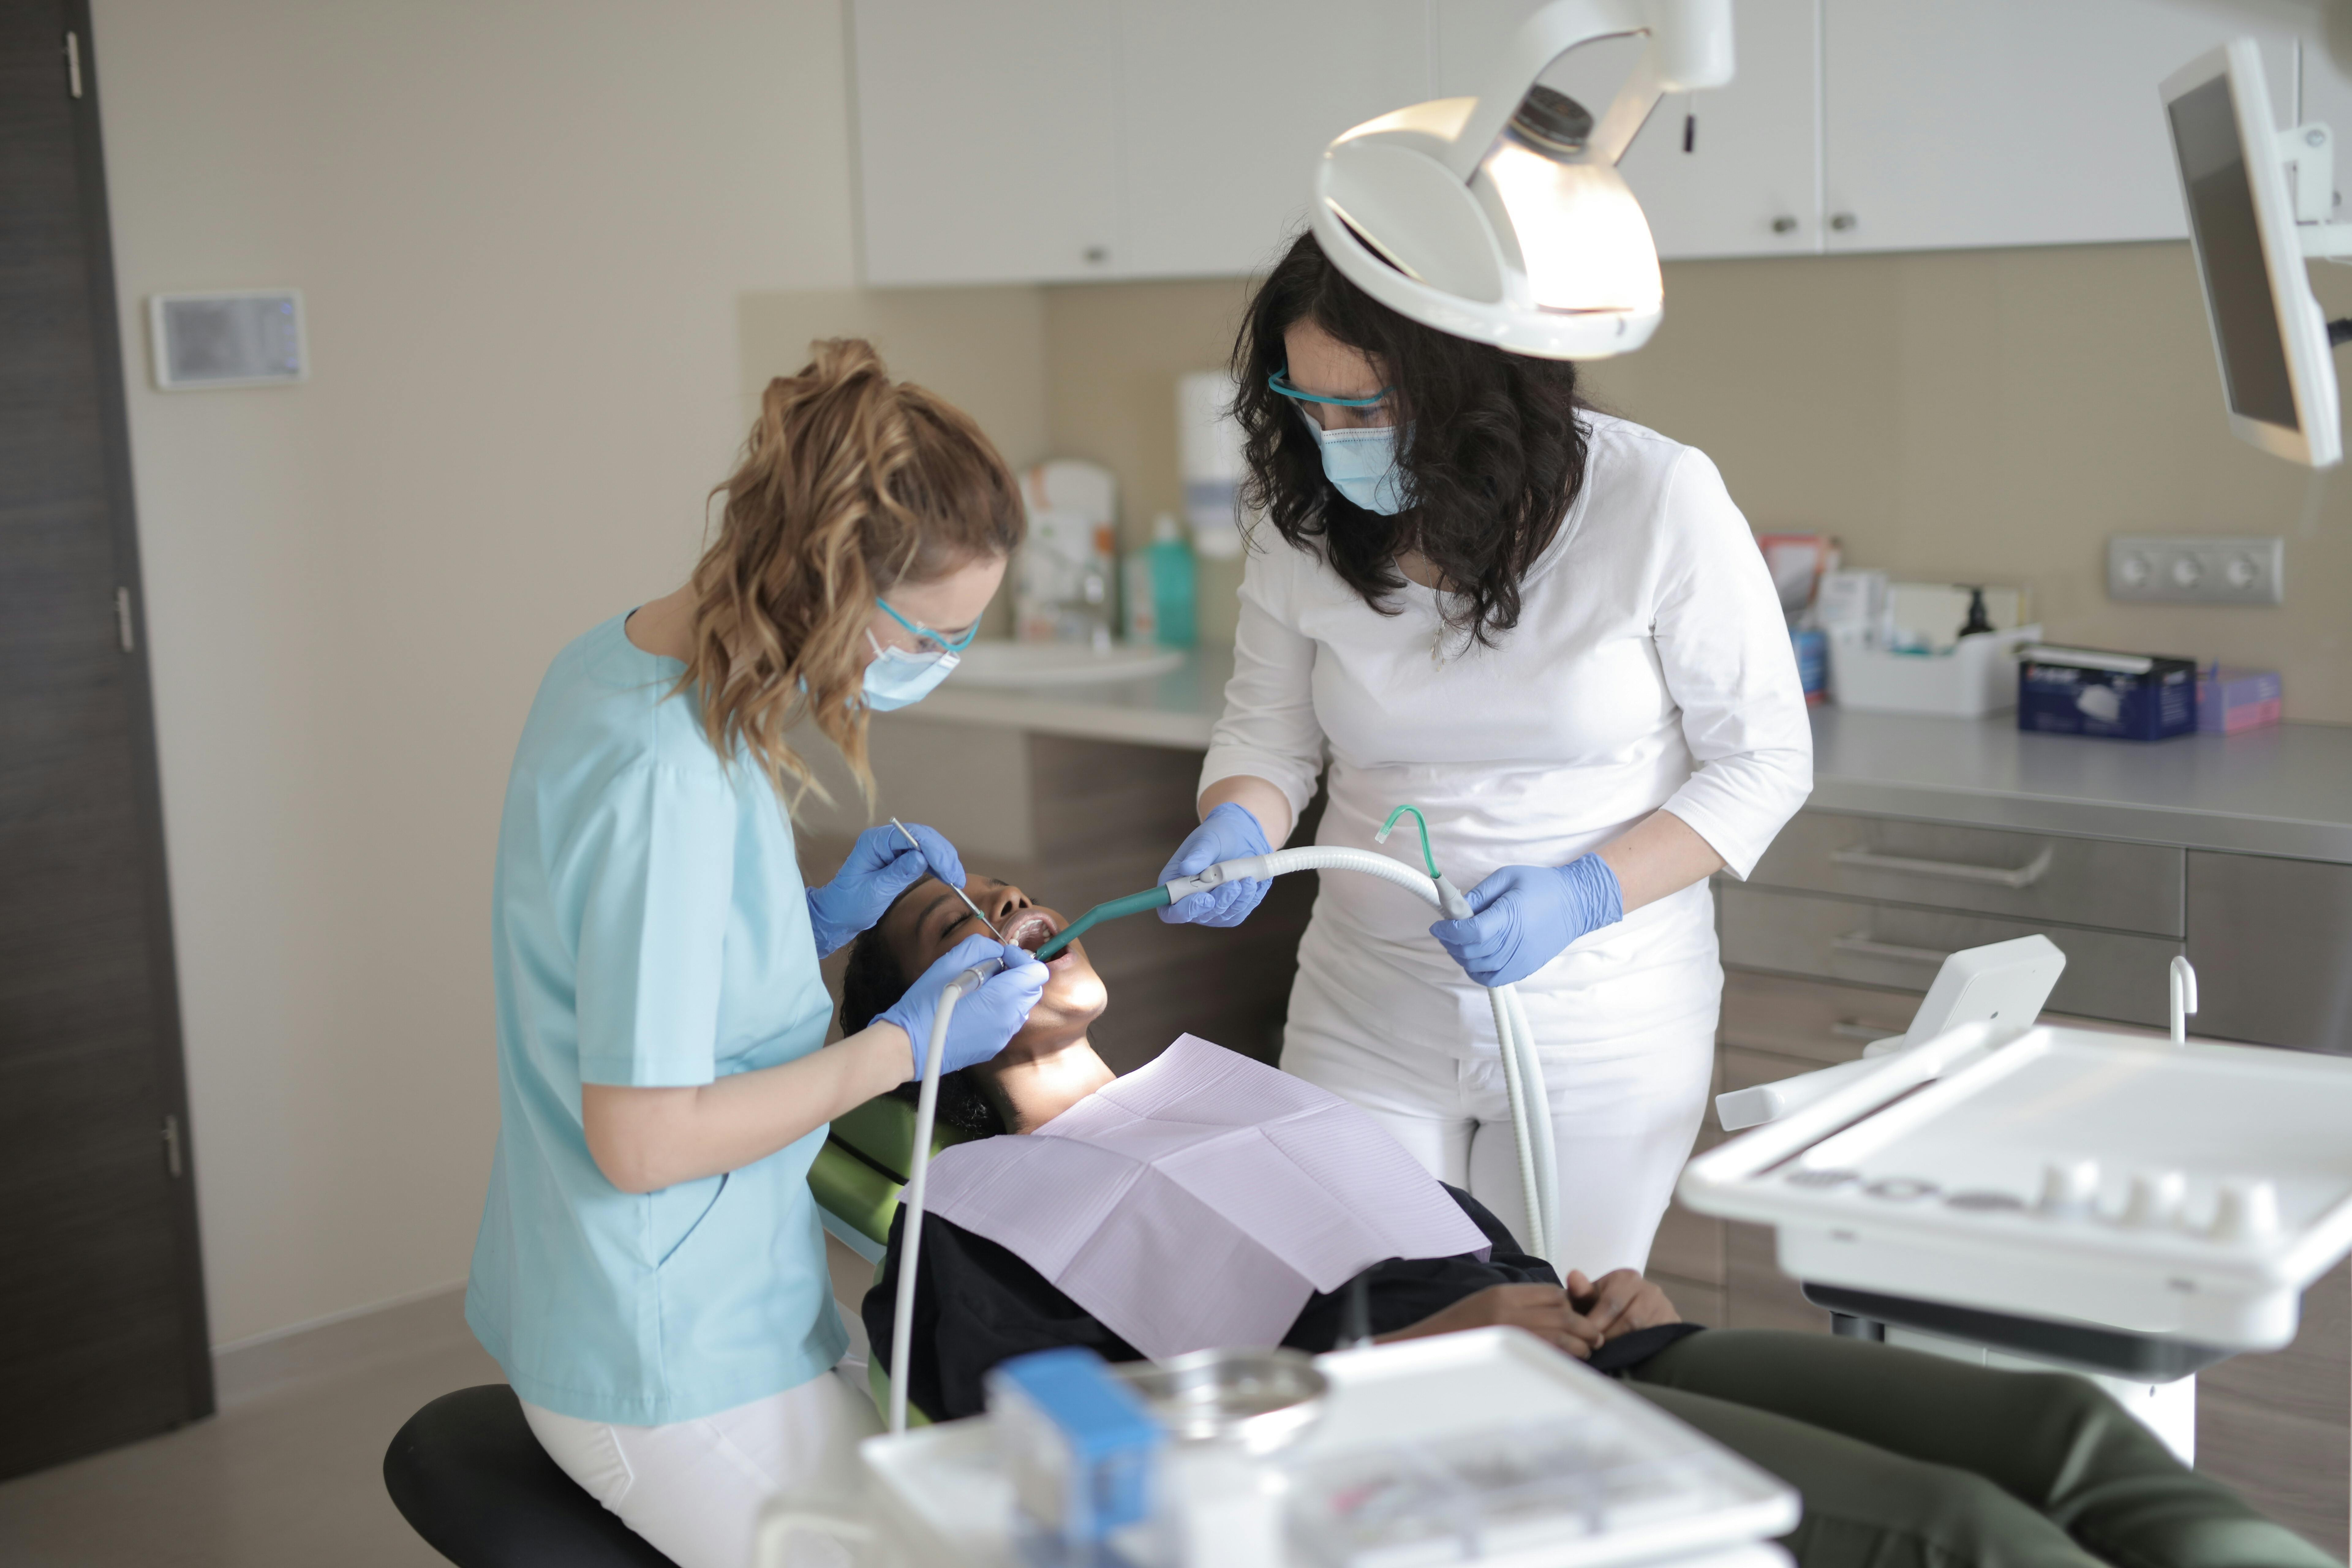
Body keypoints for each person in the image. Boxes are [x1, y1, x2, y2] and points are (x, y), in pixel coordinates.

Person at [841, 874, 2335, 1568]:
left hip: (1593, 1341)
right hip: (1451, 1435)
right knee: (1959, 1534)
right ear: (910, 1029)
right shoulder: (957, 1229)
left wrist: (1589, 1283)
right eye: (952, 924)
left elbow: (1421, 1229)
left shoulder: (1220, 1085)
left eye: (1001, 888)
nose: (1006, 902)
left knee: (2064, 1426)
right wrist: (1396, 1360)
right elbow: (1089, 1464)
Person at [464, 340, 1051, 1568]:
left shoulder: (631, 666)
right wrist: (909, 1045)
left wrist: (809, 920)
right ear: (835, 580)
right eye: (933, 636)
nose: (942, 665)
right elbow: (643, 1139)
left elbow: (633, 958)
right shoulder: (666, 774)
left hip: (719, 1289)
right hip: (665, 1350)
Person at [1160, 231, 1814, 1270]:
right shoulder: (1301, 517)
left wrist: (1587, 895)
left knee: (1549, 1326)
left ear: (1472, 383)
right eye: (1308, 404)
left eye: (1368, 409)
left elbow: (1764, 763)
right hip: (1364, 1009)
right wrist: (1238, 821)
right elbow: (1268, 737)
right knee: (1371, 1314)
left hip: (1600, 1024)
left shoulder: (1655, 497)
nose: (1334, 439)